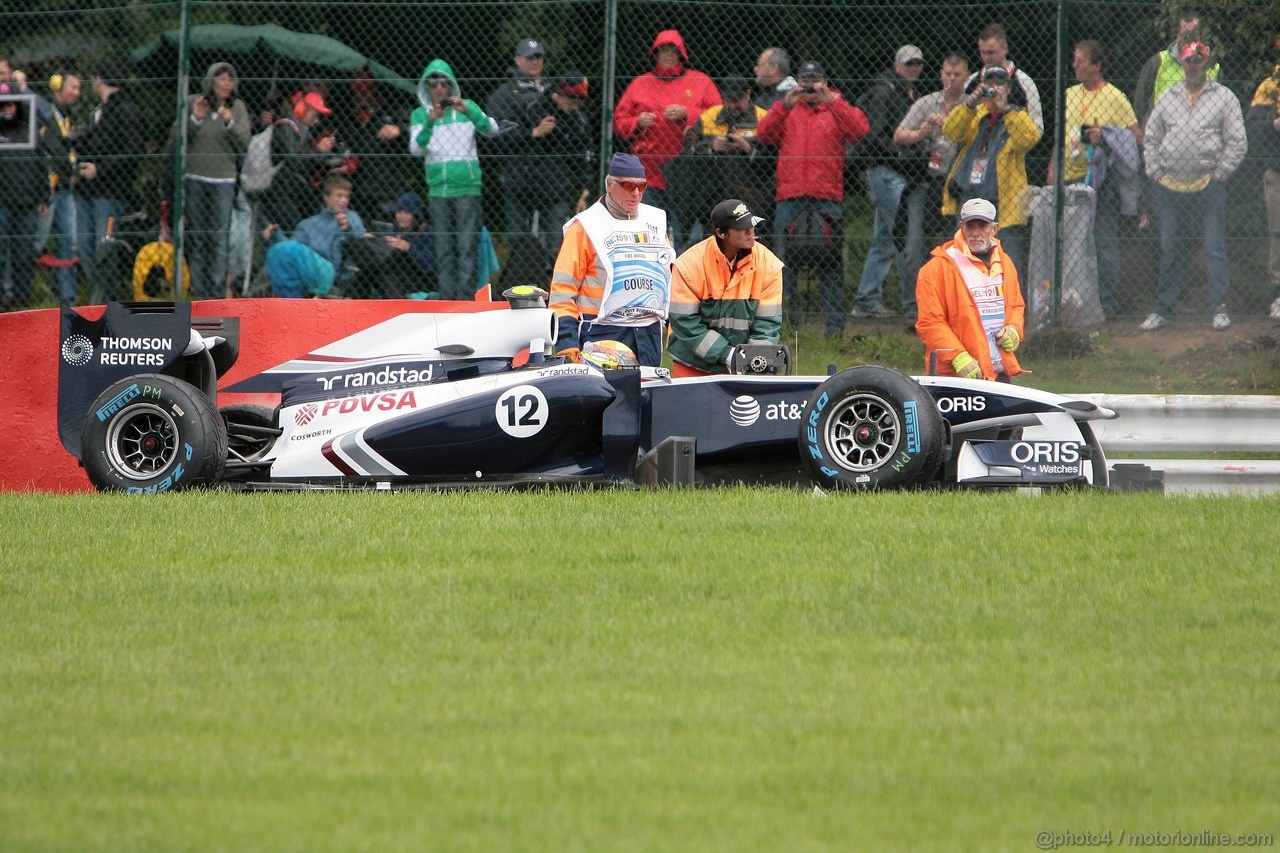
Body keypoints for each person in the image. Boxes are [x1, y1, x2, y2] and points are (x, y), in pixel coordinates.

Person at [1139, 40, 1246, 332]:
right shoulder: (1169, 97)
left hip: (1209, 185)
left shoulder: (1224, 97)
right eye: (1189, 60)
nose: (1194, 65)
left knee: (1214, 246)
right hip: (1169, 186)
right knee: (1170, 246)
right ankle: (1164, 308)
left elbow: (1237, 141)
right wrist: (1155, 171)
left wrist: (1220, 172)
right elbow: (1151, 136)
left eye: (1199, 60)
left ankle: (1219, 307)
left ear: (1208, 63)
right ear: (1183, 63)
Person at [757, 60, 869, 335]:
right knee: (785, 264)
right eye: (805, 81)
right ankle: (788, 327)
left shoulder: (836, 105)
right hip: (790, 195)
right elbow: (764, 134)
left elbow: (858, 131)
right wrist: (784, 104)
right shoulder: (788, 106)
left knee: (830, 265)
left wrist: (831, 100)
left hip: (827, 197)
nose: (809, 87)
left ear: (825, 82)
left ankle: (834, 328)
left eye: (815, 81)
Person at [549, 153, 675, 367]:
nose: (636, 193)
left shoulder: (655, 221)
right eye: (627, 185)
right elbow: (562, 290)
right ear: (609, 184)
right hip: (601, 331)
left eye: (641, 186)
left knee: (645, 399)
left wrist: (672, 329)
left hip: (648, 334)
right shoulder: (585, 226)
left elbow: (668, 281)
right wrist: (567, 343)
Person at [1045, 40, 1141, 318]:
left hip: (1101, 182)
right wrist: (1052, 169)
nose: (1074, 65)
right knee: (1068, 241)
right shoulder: (1069, 94)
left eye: (1081, 61)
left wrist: (1107, 135)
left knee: (1104, 242)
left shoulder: (1115, 97)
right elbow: (1060, 137)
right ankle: (1068, 301)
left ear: (1097, 66)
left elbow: (1136, 138)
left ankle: (1107, 302)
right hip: (1069, 177)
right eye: (1074, 60)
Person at [613, 29, 720, 251]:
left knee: (686, 238)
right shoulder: (640, 83)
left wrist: (687, 113)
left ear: (682, 55)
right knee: (647, 236)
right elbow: (619, 122)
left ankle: (683, 281)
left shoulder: (700, 81)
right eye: (663, 51)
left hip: (690, 176)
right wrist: (637, 122)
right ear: (655, 55)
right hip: (649, 175)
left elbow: (718, 116)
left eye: (674, 51)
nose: (669, 55)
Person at [940, 64, 1041, 293]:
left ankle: (1011, 317)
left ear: (1008, 88)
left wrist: (1004, 108)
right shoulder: (975, 115)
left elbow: (1028, 140)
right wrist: (969, 103)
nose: (994, 88)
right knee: (967, 263)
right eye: (990, 83)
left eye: (1000, 84)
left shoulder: (1017, 115)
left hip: (1003, 204)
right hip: (970, 199)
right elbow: (951, 131)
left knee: (1007, 264)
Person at [409, 59, 499, 300]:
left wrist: (468, 110)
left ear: (451, 85)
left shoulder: (466, 107)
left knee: (467, 247)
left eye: (444, 83)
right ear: (426, 86)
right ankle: (447, 301)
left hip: (468, 189)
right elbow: (415, 149)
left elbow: (492, 129)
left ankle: (465, 301)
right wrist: (431, 121)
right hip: (439, 191)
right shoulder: (420, 115)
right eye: (434, 83)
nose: (439, 88)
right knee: (444, 250)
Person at [851, 45, 927, 320]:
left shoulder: (906, 91)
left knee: (885, 238)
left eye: (918, 63)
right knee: (903, 235)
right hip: (884, 170)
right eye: (909, 63)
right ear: (897, 64)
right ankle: (912, 304)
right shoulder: (886, 90)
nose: (914, 67)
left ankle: (866, 298)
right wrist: (899, 156)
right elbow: (874, 135)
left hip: (894, 171)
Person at [668, 199, 783, 377]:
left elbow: (767, 325)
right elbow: (685, 322)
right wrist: (727, 355)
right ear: (721, 233)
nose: (750, 231)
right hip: (692, 364)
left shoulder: (770, 265)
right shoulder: (688, 265)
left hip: (745, 368)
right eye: (741, 227)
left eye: (751, 224)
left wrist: (754, 362)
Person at [915, 197, 1026, 382]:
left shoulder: (1005, 263)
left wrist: (1014, 330)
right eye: (970, 226)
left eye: (981, 226)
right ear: (961, 227)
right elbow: (930, 322)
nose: (975, 233)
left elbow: (1015, 306)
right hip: (954, 376)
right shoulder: (935, 269)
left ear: (994, 229)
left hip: (998, 371)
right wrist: (957, 356)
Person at [894, 51, 970, 320]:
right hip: (925, 182)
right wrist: (924, 131)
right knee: (914, 247)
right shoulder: (928, 102)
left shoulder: (970, 104)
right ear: (940, 75)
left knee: (957, 247)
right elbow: (900, 135)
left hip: (958, 186)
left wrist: (951, 123)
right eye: (947, 74)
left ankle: (954, 309)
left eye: (957, 74)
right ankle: (914, 309)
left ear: (967, 77)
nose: (951, 79)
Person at [177, 62, 250, 300]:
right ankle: (199, 293)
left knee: (219, 238)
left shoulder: (237, 107)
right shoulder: (194, 103)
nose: (227, 84)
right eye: (222, 79)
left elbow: (244, 143)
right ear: (210, 81)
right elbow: (179, 137)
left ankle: (217, 295)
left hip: (224, 180)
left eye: (231, 79)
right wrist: (196, 119)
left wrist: (229, 123)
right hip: (195, 177)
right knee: (198, 237)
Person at [668, 77, 771, 244]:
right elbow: (689, 151)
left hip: (753, 194)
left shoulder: (763, 117)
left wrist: (747, 148)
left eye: (737, 100)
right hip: (711, 196)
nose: (732, 106)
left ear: (748, 95)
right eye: (729, 100)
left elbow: (773, 159)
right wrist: (711, 146)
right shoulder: (709, 116)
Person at [75, 59, 145, 300]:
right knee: (85, 248)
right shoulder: (99, 111)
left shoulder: (127, 110)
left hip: (110, 192)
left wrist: (100, 169)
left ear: (98, 79)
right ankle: (98, 301)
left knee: (103, 250)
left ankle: (104, 304)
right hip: (87, 191)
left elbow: (134, 152)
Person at [518, 70, 595, 264]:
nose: (575, 106)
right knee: (523, 247)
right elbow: (512, 142)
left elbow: (584, 160)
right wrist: (535, 132)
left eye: (580, 102)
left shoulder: (579, 122)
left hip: (558, 192)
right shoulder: (534, 108)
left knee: (557, 247)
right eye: (572, 101)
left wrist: (584, 190)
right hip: (525, 188)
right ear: (558, 94)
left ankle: (554, 286)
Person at [486, 38, 551, 242]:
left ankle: (550, 274)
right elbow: (499, 136)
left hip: (550, 178)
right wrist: (532, 133)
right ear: (517, 59)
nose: (535, 61)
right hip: (517, 177)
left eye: (538, 57)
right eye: (529, 57)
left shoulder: (553, 91)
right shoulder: (503, 94)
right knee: (520, 241)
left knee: (554, 239)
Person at [0, 56, 48, 311]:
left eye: (4, 72)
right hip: (2, 198)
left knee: (23, 255)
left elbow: (42, 117)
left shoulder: (24, 106)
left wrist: (43, 194)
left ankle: (21, 305)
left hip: (26, 195)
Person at [38, 68, 87, 306]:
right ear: (57, 85)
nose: (76, 93)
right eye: (73, 87)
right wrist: (73, 170)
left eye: (79, 88)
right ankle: (31, 293)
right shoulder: (46, 113)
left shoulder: (65, 115)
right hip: (47, 190)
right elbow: (54, 150)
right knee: (36, 242)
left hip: (64, 189)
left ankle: (67, 299)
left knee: (69, 242)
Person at [335, 70, 409, 222]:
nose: (360, 96)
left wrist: (399, 130)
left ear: (373, 91)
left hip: (387, 187)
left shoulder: (391, 111)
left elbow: (412, 131)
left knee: (386, 230)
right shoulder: (347, 115)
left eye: (365, 91)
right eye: (357, 92)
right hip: (359, 188)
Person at [263, 90, 336, 236]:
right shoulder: (287, 125)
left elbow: (306, 160)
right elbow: (294, 161)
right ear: (302, 108)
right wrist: (319, 151)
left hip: (292, 192)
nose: (317, 121)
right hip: (280, 192)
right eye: (315, 115)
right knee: (291, 235)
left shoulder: (303, 131)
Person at [1133, 7, 1219, 130]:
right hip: (1162, 137)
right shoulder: (1158, 62)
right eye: (1186, 35)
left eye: (1193, 35)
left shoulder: (1213, 66)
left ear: (1203, 34)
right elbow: (1140, 101)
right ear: (1178, 34)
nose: (1189, 40)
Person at [1246, 55, 1280, 321]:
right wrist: (1274, 124)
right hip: (1277, 172)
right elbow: (1254, 128)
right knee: (1278, 233)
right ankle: (1279, 295)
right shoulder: (1270, 85)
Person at [969, 24, 1043, 133]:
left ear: (1005, 48)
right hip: (975, 147)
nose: (986, 57)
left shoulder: (1024, 82)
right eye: (982, 52)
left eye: (991, 52)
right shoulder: (971, 81)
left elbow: (1038, 127)